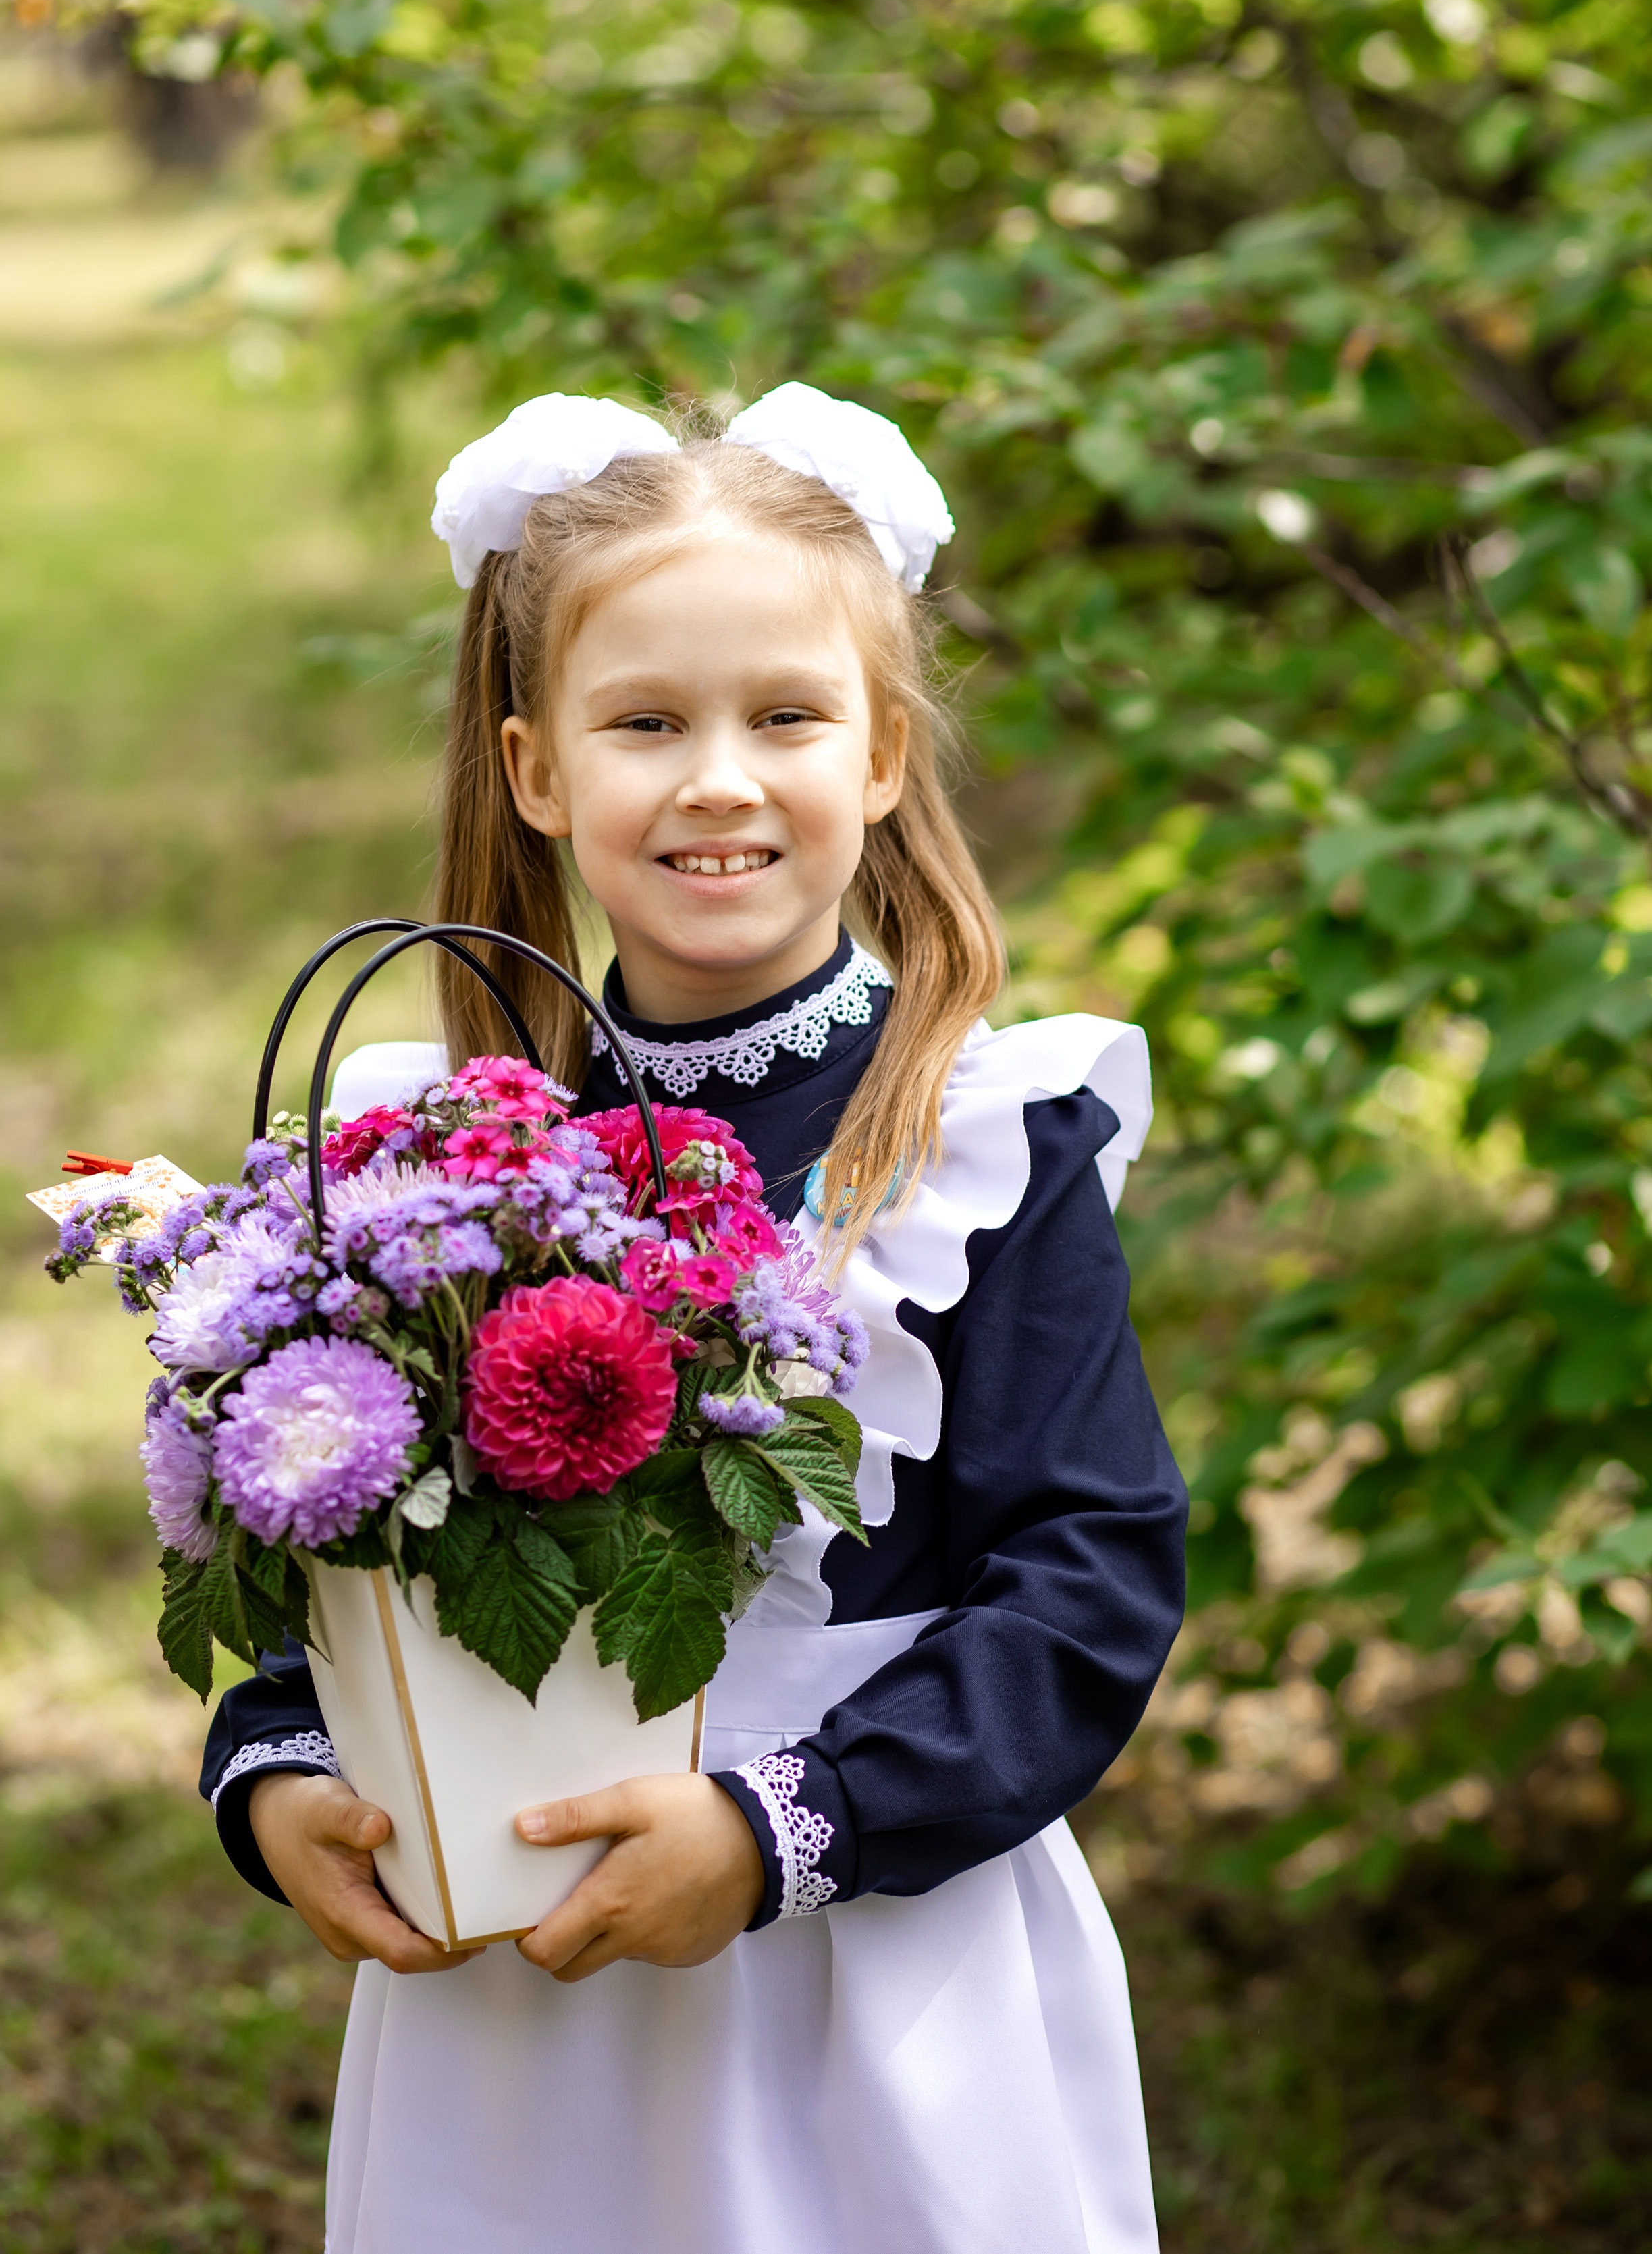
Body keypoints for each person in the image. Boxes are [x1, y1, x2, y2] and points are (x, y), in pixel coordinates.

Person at [201, 382, 1187, 2254]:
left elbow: (1091, 1576)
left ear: (883, 751)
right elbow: (322, 1527)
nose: (719, 776)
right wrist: (280, 1772)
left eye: (786, 716)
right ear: (538, 767)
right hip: (520, 1951)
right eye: (647, 720)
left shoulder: (986, 1140)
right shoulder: (441, 1154)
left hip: (877, 1958)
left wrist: (771, 1831)